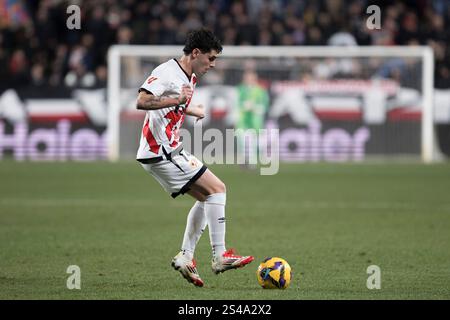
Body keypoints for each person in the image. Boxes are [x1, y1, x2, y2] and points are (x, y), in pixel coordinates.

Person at [135, 29, 254, 287]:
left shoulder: (190, 75)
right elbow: (142, 101)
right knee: (218, 190)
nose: (213, 65)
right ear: (196, 53)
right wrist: (178, 99)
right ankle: (219, 255)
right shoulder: (167, 72)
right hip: (161, 150)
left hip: (167, 149)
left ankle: (186, 256)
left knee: (208, 197)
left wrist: (189, 109)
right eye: (210, 59)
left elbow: (174, 104)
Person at [236, 65, 269, 168]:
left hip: (255, 121)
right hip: (242, 121)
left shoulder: (261, 91)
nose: (249, 80)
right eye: (247, 78)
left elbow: (265, 105)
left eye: (251, 78)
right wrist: (244, 106)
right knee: (244, 141)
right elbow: (235, 104)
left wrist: (255, 107)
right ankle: (246, 161)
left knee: (254, 142)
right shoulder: (239, 89)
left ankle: (251, 163)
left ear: (255, 78)